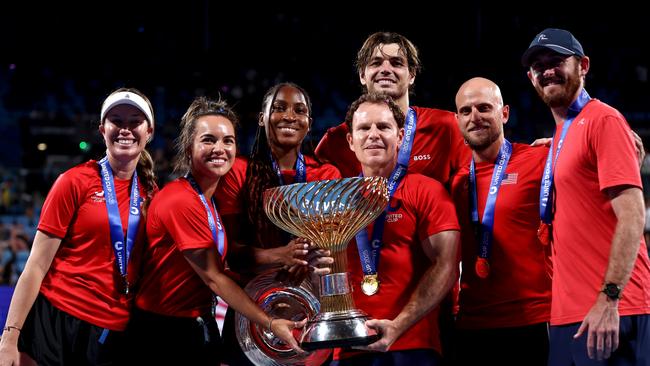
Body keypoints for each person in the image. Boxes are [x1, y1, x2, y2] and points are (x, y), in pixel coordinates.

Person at [126, 96, 304, 365]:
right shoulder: (180, 200)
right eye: (208, 140)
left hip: (195, 321)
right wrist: (269, 321)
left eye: (227, 141)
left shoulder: (209, 200)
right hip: (161, 331)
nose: (219, 148)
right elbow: (214, 278)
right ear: (188, 148)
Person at [0, 88, 157, 366]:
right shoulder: (74, 181)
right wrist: (9, 338)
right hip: (54, 319)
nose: (125, 129)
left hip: (112, 330)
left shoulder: (153, 195)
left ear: (149, 131)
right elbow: (36, 265)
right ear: (102, 129)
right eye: (116, 121)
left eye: (135, 121)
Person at [522, 28, 650, 364]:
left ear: (583, 66)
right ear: (531, 77)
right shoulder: (563, 132)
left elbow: (633, 215)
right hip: (571, 315)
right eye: (538, 65)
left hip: (611, 311)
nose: (547, 69)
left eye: (556, 61)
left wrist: (609, 299)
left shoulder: (603, 120)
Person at [215, 82, 339, 365]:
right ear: (262, 118)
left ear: (309, 123)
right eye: (279, 108)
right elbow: (228, 253)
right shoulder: (238, 172)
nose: (289, 116)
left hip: (311, 307)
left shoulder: (326, 173)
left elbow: (333, 244)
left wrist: (306, 255)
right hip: (250, 310)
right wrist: (279, 256)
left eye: (299, 110)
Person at [331, 93, 459, 366]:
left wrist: (398, 325)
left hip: (411, 346)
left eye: (383, 127)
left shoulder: (426, 190)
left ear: (400, 137)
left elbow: (446, 265)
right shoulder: (337, 200)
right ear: (351, 141)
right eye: (364, 128)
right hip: (348, 347)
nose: (374, 135)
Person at [450, 77, 552, 365]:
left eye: (484, 108)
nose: (475, 117)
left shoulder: (539, 158)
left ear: (504, 112)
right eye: (466, 111)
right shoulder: (454, 182)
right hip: (472, 325)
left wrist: (564, 144)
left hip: (533, 320)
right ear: (457, 120)